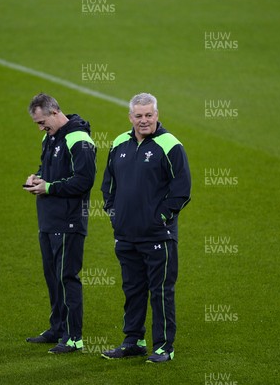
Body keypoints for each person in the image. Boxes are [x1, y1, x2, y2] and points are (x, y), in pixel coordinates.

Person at [101, 92, 191, 363]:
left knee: (161, 291)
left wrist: (161, 218)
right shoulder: (119, 143)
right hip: (126, 235)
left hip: (157, 236)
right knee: (132, 289)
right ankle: (133, 341)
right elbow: (109, 184)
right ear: (130, 117)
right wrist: (114, 213)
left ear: (157, 115)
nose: (144, 121)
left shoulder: (170, 145)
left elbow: (182, 190)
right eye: (138, 116)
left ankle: (164, 347)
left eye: (149, 115)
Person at [24, 93, 96, 354]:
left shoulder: (79, 139)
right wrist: (37, 177)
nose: (40, 127)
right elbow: (48, 169)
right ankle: (57, 327)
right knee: (53, 277)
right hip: (48, 219)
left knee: (67, 277)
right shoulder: (50, 137)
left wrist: (50, 187)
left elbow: (85, 180)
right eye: (37, 123)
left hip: (68, 221)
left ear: (55, 112)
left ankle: (74, 336)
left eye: (42, 121)